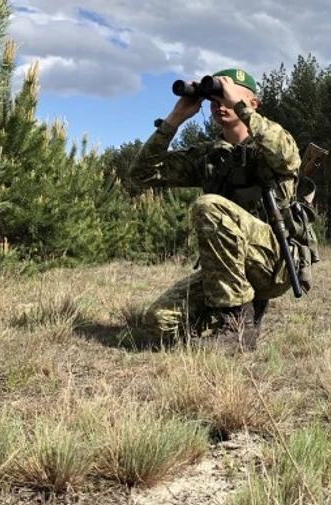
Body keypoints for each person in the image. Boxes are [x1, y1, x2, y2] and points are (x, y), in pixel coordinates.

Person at [128, 68, 316, 350]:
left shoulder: (274, 141)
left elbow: (287, 158)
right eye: (214, 99)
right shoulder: (210, 156)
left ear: (253, 103)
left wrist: (238, 106)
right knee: (159, 322)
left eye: (227, 97)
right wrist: (175, 118)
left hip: (275, 262)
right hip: (226, 269)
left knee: (210, 206)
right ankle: (233, 311)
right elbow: (141, 174)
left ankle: (236, 327)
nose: (220, 104)